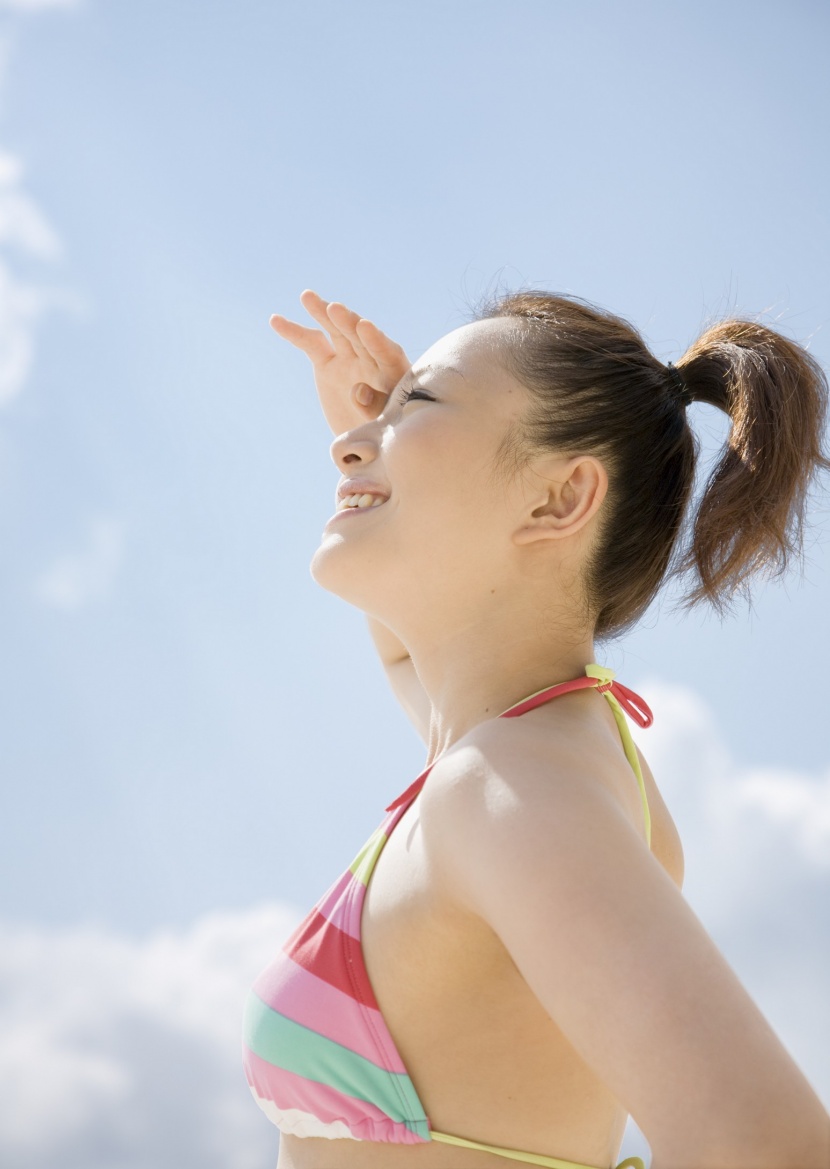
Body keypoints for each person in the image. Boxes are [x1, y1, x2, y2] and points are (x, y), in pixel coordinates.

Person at [242, 287, 830, 1169]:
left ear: (560, 499)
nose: (343, 441)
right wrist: (389, 442)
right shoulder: (511, 752)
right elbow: (415, 662)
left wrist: (389, 465)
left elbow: (767, 1147)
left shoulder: (510, 789)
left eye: (424, 404)